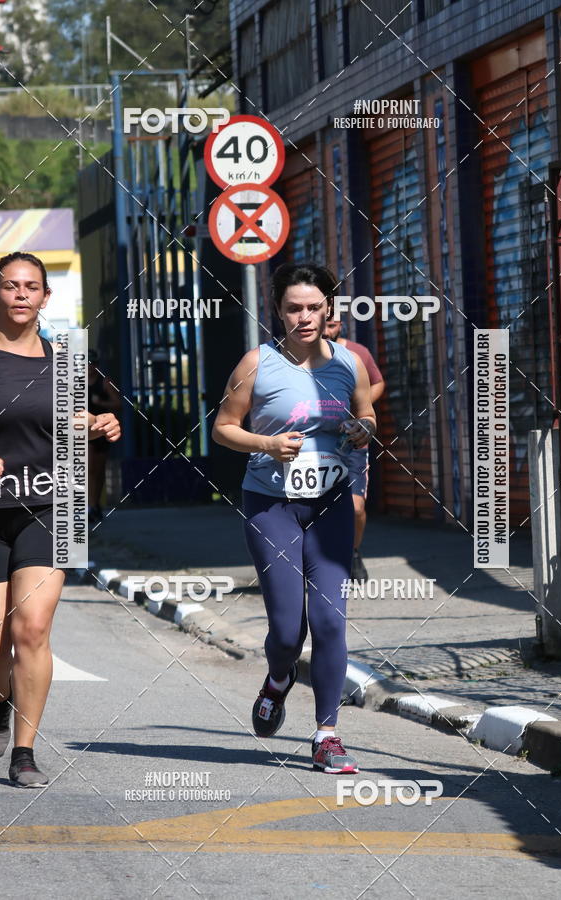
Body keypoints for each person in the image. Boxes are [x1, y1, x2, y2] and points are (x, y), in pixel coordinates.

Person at [212, 263, 376, 774]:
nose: (303, 317)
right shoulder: (256, 364)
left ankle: (327, 735)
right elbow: (222, 428)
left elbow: (367, 413)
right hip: (271, 505)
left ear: (329, 308)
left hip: (330, 504)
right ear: (277, 310)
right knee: (287, 631)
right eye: (292, 308)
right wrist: (266, 443)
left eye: (313, 307)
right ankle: (277, 679)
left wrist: (361, 431)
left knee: (329, 621)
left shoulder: (349, 364)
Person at [0, 252, 121, 787]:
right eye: (10, 286)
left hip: (54, 506)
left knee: (32, 628)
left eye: (31, 286)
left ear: (46, 297)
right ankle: (1, 698)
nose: (21, 294)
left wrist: (97, 422)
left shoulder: (67, 357)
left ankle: (24, 750)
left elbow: (64, 420)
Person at [324, 311, 385, 580]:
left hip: (352, 442)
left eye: (332, 324)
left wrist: (360, 406)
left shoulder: (357, 353)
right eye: (323, 322)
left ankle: (354, 551)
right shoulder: (301, 354)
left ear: (340, 324)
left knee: (356, 507)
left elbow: (378, 382)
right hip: (317, 444)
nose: (326, 329)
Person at [87, 350, 121, 524]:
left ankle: (95, 505)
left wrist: (101, 403)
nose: (90, 367)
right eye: (87, 363)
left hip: (101, 430)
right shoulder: (76, 383)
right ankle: (89, 505)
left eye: (93, 364)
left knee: (97, 470)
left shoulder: (106, 382)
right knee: (88, 469)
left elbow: (118, 403)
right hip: (84, 431)